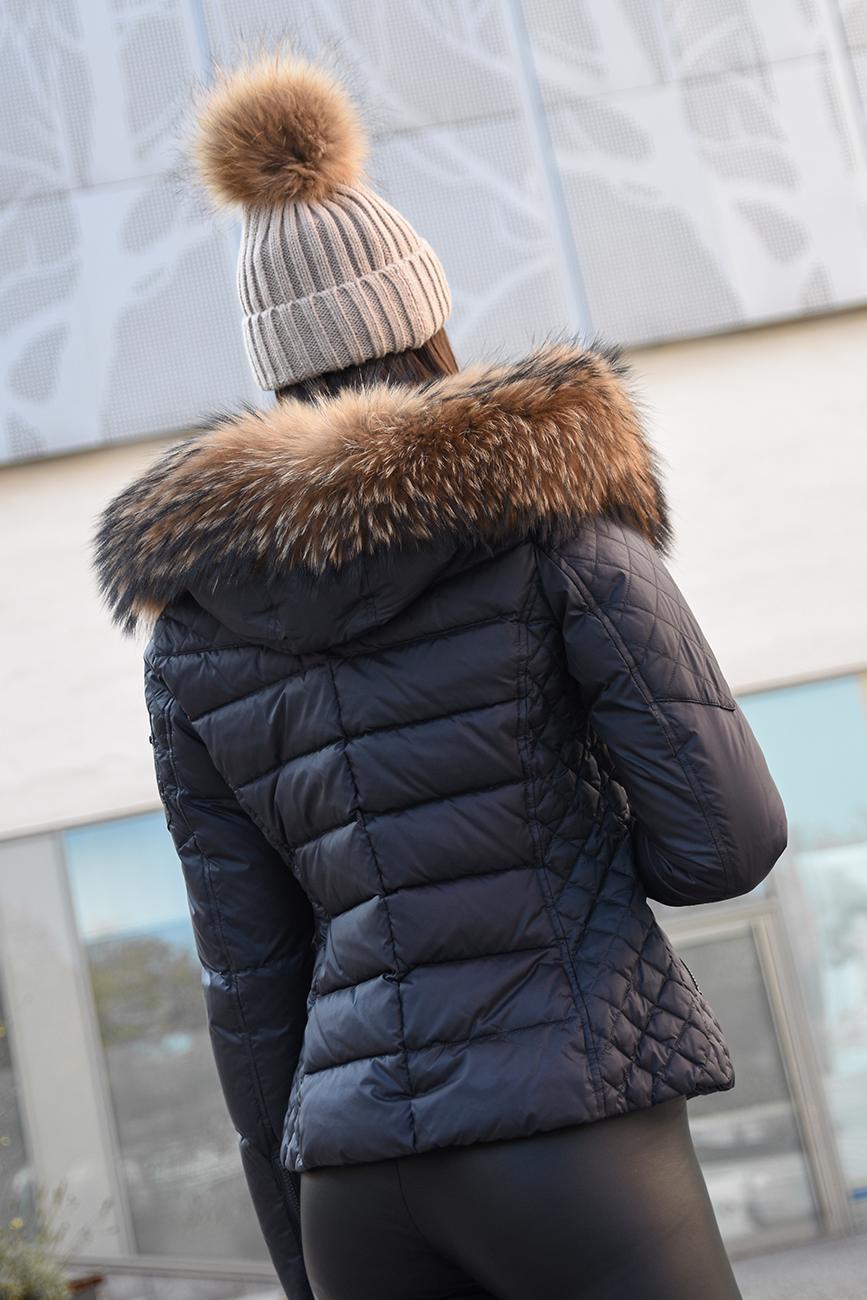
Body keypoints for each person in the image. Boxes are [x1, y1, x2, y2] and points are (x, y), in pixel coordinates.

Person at [92, 50, 787, 1300]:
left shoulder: (192, 632)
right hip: (574, 1135)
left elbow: (252, 984)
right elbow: (725, 844)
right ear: (425, 317)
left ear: (275, 367)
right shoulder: (555, 527)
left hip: (355, 1183)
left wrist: (301, 1250)